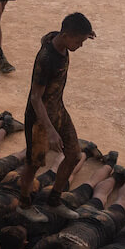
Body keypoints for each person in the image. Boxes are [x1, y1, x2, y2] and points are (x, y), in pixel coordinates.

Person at [20, 12, 96, 205]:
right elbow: (36, 98)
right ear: (66, 35)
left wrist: (86, 32)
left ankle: (54, 199)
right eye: (79, 41)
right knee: (34, 163)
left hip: (57, 109)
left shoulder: (56, 37)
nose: (80, 46)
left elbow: (48, 36)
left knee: (74, 155)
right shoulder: (46, 59)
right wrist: (50, 131)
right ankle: (24, 202)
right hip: (40, 118)